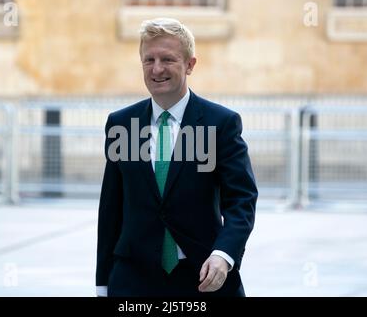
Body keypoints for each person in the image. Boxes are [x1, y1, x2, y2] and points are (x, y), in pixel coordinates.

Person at [96, 18, 257, 297]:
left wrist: (224, 254)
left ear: (190, 65)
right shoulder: (121, 124)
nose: (157, 69)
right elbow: (111, 207)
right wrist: (102, 283)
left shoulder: (221, 123)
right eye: (149, 60)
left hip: (203, 277)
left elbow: (241, 201)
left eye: (167, 59)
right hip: (133, 281)